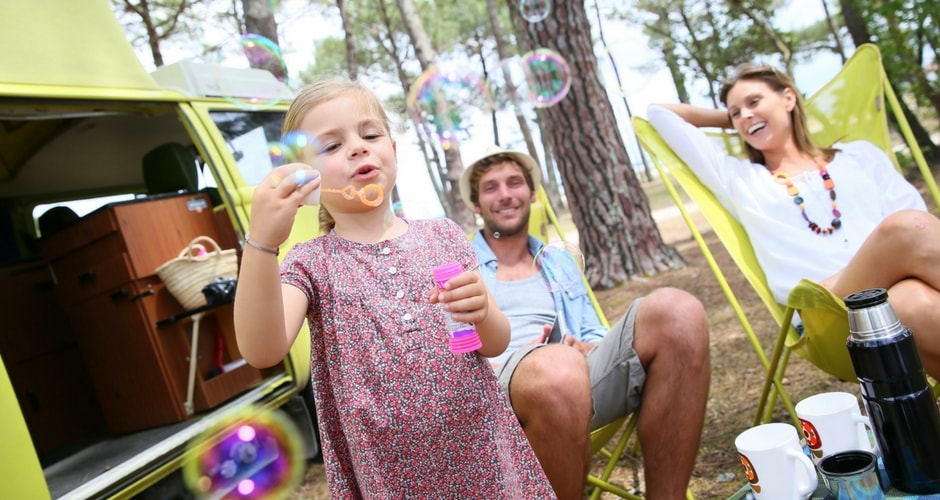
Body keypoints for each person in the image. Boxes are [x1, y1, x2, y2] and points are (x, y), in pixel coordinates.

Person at [233, 80, 554, 497]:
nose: (357, 148)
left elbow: (494, 343)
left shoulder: (444, 236)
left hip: (483, 452)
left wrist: (483, 312)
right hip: (390, 472)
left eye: (369, 135)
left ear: (394, 150)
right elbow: (262, 349)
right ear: (306, 180)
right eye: (331, 146)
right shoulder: (311, 262)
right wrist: (261, 243)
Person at [647, 62, 940, 379]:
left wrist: (753, 114)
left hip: (890, 296)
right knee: (907, 227)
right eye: (735, 112)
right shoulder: (740, 179)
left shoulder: (859, 156)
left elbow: (917, 219)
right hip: (826, 313)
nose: (744, 114)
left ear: (789, 98)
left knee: (912, 302)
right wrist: (745, 118)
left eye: (754, 101)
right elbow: (659, 113)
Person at [459, 145, 711, 499]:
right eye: (490, 187)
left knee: (678, 311)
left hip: (572, 380)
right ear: (476, 204)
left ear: (532, 194)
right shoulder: (460, 264)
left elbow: (591, 331)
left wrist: (583, 347)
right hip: (498, 397)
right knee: (555, 367)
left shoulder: (557, 262)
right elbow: (453, 352)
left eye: (514, 183)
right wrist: (539, 360)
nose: (505, 195)